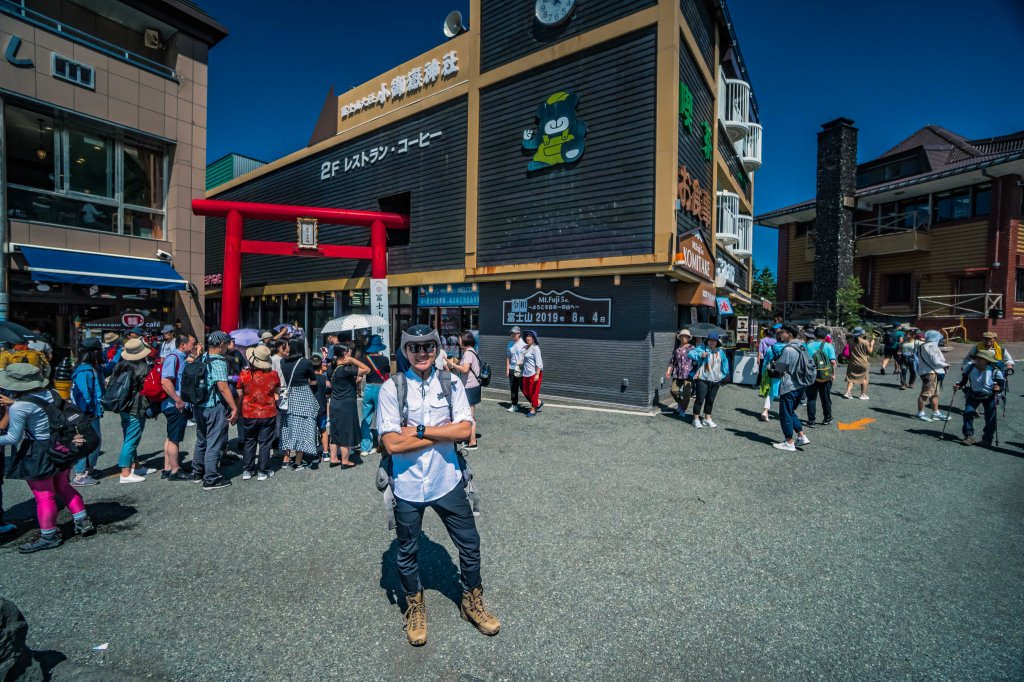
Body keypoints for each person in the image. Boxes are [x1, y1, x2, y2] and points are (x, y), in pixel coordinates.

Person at [377, 324, 500, 646]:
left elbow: (464, 432)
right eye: (414, 347)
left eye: (428, 347)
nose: (422, 353)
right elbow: (391, 444)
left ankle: (471, 601)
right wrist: (438, 431)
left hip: (448, 480)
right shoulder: (393, 387)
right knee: (407, 552)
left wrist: (416, 431)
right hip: (406, 484)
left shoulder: (451, 383)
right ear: (405, 351)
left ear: (436, 349)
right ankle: (415, 607)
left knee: (470, 545)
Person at [0, 363, 95, 553]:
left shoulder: (19, 407)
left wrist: (13, 407)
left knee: (44, 496)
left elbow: (13, 438)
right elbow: (38, 407)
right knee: (63, 486)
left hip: (37, 451)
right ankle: (82, 520)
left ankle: (49, 535)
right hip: (61, 446)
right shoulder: (52, 393)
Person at [191, 331, 237, 490]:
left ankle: (197, 472)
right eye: (226, 343)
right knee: (214, 441)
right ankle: (210, 478)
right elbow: (223, 387)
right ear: (221, 344)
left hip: (198, 405)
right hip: (213, 405)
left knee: (201, 439)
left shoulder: (202, 357)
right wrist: (234, 407)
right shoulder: (218, 361)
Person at [109, 338, 157, 483]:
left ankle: (136, 465)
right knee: (131, 439)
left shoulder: (120, 365)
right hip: (136, 407)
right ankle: (125, 472)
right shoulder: (143, 367)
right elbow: (148, 389)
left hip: (122, 405)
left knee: (129, 436)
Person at [237, 345, 280, 481]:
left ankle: (247, 470)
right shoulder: (273, 375)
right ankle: (263, 470)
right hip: (267, 412)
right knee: (265, 443)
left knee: (249, 441)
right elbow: (277, 392)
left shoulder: (244, 374)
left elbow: (239, 393)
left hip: (249, 412)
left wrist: (238, 409)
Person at [159, 332, 195, 481]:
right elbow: (165, 381)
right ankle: (175, 470)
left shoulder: (180, 357)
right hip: (174, 404)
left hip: (173, 404)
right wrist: (178, 400)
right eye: (192, 343)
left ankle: (167, 467)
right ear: (183, 345)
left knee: (171, 436)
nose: (194, 346)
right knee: (175, 438)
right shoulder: (173, 358)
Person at [771, 325, 813, 451]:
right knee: (790, 411)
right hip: (801, 383)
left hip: (789, 384)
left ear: (789, 333)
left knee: (785, 413)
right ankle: (801, 435)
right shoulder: (802, 346)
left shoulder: (788, 349)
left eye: (782, 332)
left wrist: (774, 364)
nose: (780, 335)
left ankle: (789, 441)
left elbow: (780, 367)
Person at [280, 339, 320, 470]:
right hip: (303, 395)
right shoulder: (306, 362)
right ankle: (298, 461)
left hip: (290, 396)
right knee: (303, 427)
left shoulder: (282, 362)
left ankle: (286, 458)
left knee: (289, 427)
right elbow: (313, 381)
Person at [69, 338, 105, 486]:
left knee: (93, 441)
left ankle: (88, 469)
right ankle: (80, 474)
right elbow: (84, 395)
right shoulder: (85, 370)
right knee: (87, 442)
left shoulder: (87, 368)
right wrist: (87, 413)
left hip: (88, 412)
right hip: (86, 413)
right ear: (94, 353)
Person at [328, 344, 370, 467]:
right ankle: (345, 461)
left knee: (335, 431)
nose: (350, 352)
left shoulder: (333, 368)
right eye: (349, 351)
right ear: (345, 354)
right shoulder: (345, 369)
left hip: (335, 402)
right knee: (346, 431)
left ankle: (334, 458)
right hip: (346, 404)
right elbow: (367, 369)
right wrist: (352, 360)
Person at [954, 349, 1004, 447]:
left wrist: (998, 388)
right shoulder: (969, 367)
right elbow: (963, 381)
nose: (978, 360)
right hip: (973, 394)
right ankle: (969, 436)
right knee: (967, 413)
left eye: (981, 358)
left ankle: (987, 439)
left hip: (989, 396)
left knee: (990, 418)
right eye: (977, 357)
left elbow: (1001, 387)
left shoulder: (995, 371)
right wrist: (958, 386)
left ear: (987, 360)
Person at [448, 331, 481, 449]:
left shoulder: (468, 353)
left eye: (460, 339)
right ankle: (470, 438)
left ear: (465, 340)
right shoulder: (471, 351)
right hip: (473, 386)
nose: (458, 341)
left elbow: (465, 369)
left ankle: (472, 442)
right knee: (470, 413)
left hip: (470, 387)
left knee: (470, 415)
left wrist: (451, 364)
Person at [688, 333, 728, 428]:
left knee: (710, 400)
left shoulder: (720, 351)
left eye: (714, 340)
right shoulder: (703, 347)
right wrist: (700, 355)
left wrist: (724, 373)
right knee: (700, 399)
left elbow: (725, 361)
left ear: (717, 342)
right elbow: (690, 354)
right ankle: (696, 419)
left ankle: (707, 419)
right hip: (703, 378)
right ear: (707, 340)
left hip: (715, 379)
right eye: (710, 340)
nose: (711, 342)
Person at [361, 335, 391, 456]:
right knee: (381, 417)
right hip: (381, 388)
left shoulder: (365, 359)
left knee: (366, 418)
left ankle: (365, 448)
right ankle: (381, 444)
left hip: (368, 387)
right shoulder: (385, 360)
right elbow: (388, 372)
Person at [804, 326, 837, 427]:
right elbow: (832, 362)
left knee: (811, 398)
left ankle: (811, 420)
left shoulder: (808, 346)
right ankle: (827, 418)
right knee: (825, 397)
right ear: (825, 336)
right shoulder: (829, 346)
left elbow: (805, 361)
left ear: (814, 335)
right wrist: (833, 375)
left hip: (811, 376)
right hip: (825, 376)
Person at [915, 330, 950, 422]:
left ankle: (936, 412)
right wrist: (945, 365)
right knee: (926, 394)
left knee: (934, 394)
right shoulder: (933, 347)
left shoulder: (922, 346)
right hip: (932, 373)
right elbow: (935, 361)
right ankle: (920, 413)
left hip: (925, 372)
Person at [665, 330, 696, 417]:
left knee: (687, 393)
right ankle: (682, 404)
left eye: (686, 336)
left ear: (689, 338)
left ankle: (683, 409)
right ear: (680, 337)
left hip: (688, 374)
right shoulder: (677, 349)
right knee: (673, 391)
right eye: (682, 336)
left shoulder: (692, 348)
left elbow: (696, 361)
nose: (684, 338)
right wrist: (668, 371)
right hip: (677, 373)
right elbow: (671, 362)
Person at [842, 327, 874, 400]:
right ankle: (863, 394)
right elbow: (870, 352)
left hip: (852, 362)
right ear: (861, 333)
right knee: (864, 378)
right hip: (863, 363)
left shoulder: (850, 340)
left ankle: (848, 392)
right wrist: (871, 344)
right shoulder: (865, 342)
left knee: (851, 378)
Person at [519, 330, 543, 417]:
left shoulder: (535, 348)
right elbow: (523, 359)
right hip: (526, 373)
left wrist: (537, 374)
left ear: (534, 339)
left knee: (534, 392)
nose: (528, 338)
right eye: (527, 336)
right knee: (526, 391)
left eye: (531, 337)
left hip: (535, 373)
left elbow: (539, 363)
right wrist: (520, 362)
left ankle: (533, 410)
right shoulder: (526, 347)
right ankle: (538, 402)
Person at [310, 354, 330, 461]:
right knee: (323, 430)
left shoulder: (308, 379)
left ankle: (314, 453)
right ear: (320, 366)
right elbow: (328, 390)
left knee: (312, 431)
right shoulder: (323, 378)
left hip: (311, 408)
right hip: (322, 407)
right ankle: (326, 453)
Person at [505, 327, 527, 413]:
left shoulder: (523, 344)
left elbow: (526, 357)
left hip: (520, 370)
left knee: (524, 388)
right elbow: (508, 357)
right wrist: (507, 369)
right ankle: (514, 405)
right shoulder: (510, 344)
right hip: (511, 369)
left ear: (519, 333)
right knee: (513, 388)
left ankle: (535, 403)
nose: (512, 335)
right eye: (511, 333)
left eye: (514, 333)